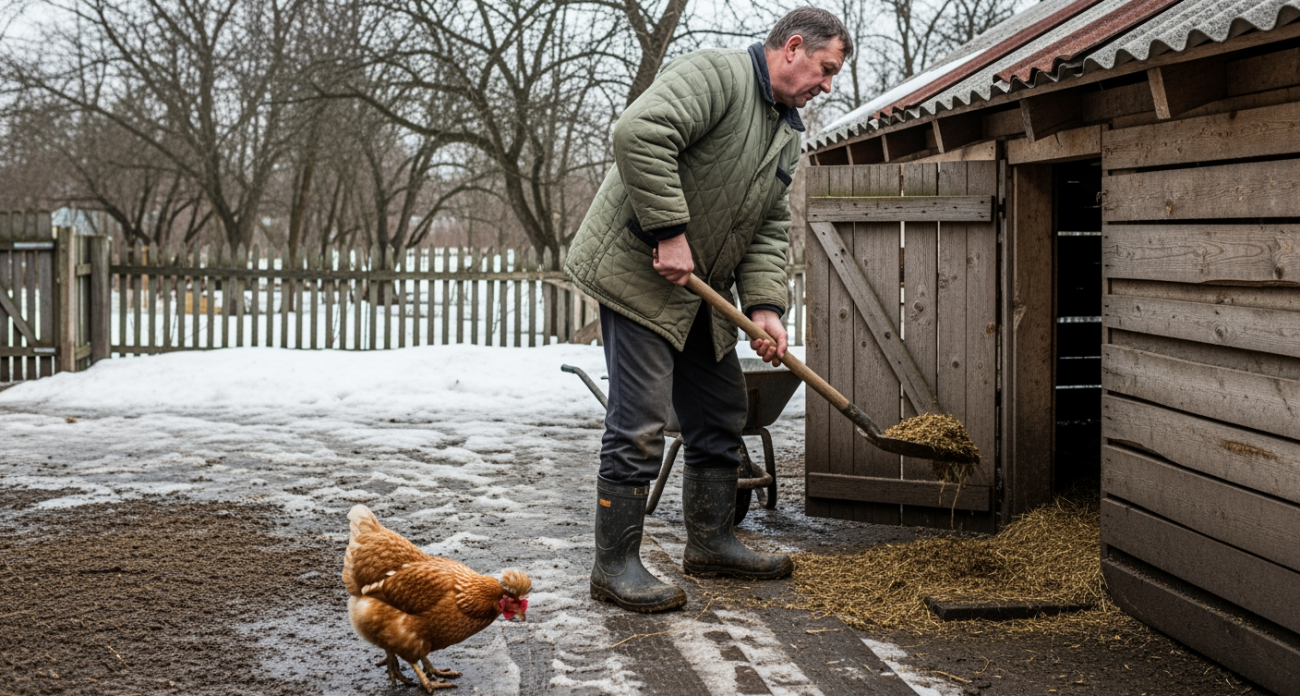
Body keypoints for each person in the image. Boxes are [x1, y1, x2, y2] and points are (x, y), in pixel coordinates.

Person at [564, 8, 852, 613]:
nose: (826, 85)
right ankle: (613, 566)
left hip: (702, 289)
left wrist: (767, 306)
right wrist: (669, 230)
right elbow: (638, 133)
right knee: (640, 419)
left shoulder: (786, 129)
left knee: (722, 411)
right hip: (639, 274)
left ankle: (713, 541)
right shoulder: (717, 75)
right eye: (824, 70)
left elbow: (770, 223)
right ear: (793, 48)